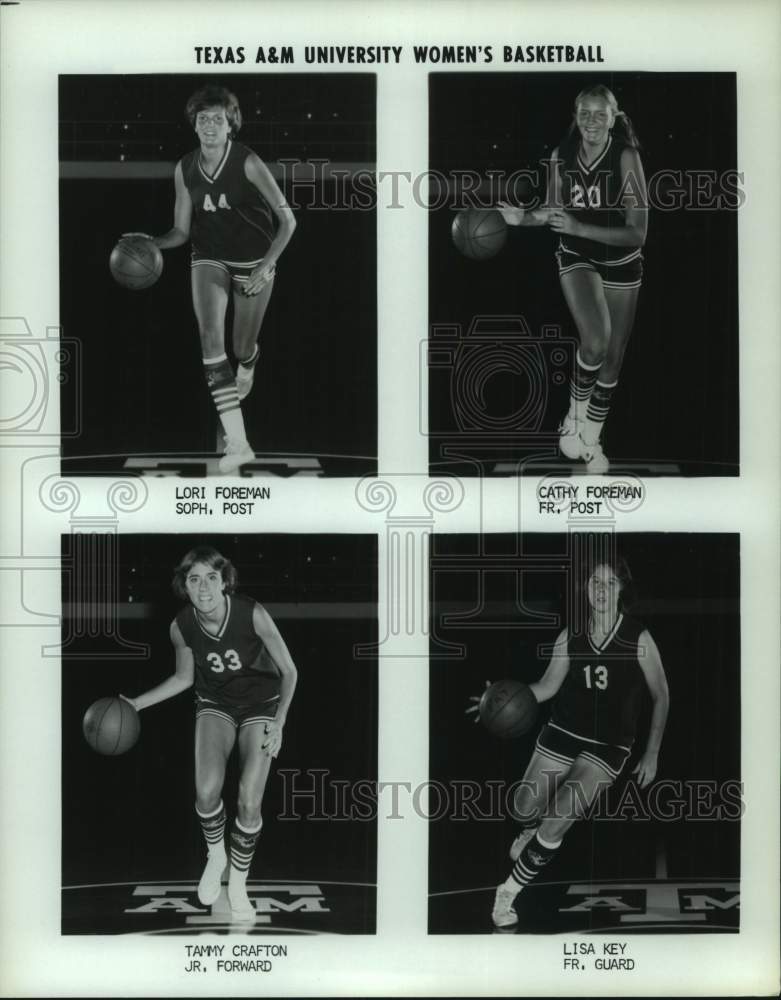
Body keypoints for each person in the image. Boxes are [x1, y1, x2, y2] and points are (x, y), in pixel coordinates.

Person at [468, 556, 669, 929]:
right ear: (586, 590)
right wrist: (496, 699)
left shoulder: (637, 636)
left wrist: (652, 751)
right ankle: (528, 828)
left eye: (610, 583)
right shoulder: (570, 635)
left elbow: (662, 695)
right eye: (595, 582)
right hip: (563, 731)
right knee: (522, 807)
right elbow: (545, 687)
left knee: (558, 820)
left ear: (622, 589)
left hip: (607, 747)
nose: (602, 589)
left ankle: (508, 892)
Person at [121, 86, 297, 474]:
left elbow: (288, 221)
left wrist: (267, 266)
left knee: (241, 345)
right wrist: (152, 242)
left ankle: (250, 360)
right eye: (203, 119)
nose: (210, 125)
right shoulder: (184, 168)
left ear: (231, 124)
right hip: (209, 257)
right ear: (194, 125)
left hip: (255, 261)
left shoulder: (248, 162)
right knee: (209, 340)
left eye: (218, 119)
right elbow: (181, 231)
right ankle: (239, 442)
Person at [121, 546, 298, 922]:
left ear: (225, 581)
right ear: (184, 585)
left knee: (250, 799)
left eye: (211, 578)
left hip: (261, 706)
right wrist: (136, 704)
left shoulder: (253, 613)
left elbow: (290, 672)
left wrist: (280, 721)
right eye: (194, 579)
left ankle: (238, 883)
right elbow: (184, 679)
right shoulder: (181, 626)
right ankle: (215, 853)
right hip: (215, 703)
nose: (203, 587)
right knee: (205, 792)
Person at [499, 84, 648, 473]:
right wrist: (523, 219)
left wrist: (580, 226)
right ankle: (573, 416)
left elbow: (638, 233)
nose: (592, 121)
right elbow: (551, 211)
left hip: (623, 259)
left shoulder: (626, 156)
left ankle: (590, 439)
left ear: (613, 117)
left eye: (601, 114)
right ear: (576, 115)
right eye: (585, 113)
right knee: (595, 343)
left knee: (613, 360)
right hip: (577, 255)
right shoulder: (559, 157)